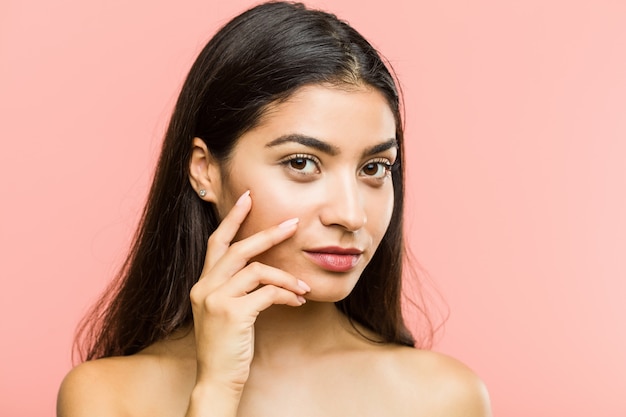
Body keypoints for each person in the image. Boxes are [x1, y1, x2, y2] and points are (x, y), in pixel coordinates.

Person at [57, 2, 491, 416]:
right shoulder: (106, 396)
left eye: (374, 168)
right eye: (301, 163)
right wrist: (215, 392)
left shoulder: (445, 398)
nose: (352, 215)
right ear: (205, 171)